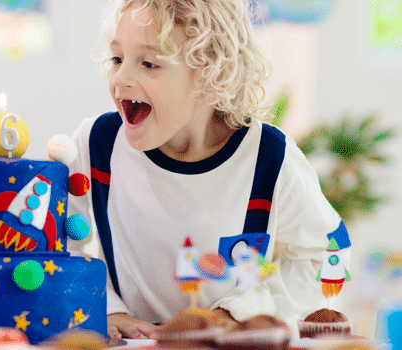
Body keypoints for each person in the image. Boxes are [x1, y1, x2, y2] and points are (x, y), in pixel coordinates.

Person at [67, 0, 350, 340]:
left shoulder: (269, 157)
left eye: (149, 63)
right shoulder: (93, 146)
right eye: (117, 59)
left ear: (212, 74)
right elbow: (58, 245)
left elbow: (330, 251)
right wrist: (106, 308)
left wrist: (239, 311)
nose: (120, 78)